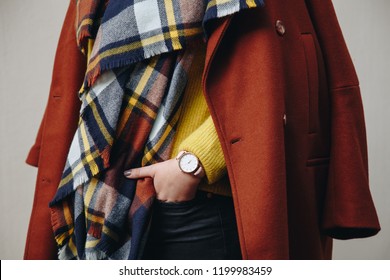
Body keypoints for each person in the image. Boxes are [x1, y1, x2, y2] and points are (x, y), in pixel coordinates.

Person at [24, 0, 380, 260]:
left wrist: (196, 161)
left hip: (199, 203)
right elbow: (83, 75)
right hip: (103, 199)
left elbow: (280, 60)